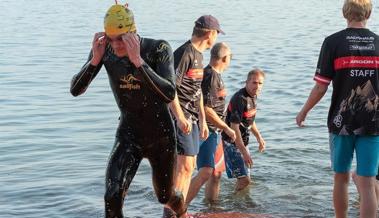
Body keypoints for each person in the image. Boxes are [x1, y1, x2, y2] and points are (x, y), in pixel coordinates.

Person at [70, 4, 186, 218]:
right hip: (129, 134)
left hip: (161, 136)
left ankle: (181, 211)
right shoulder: (104, 51)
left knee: (164, 196)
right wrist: (95, 61)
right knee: (112, 196)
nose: (116, 44)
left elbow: (169, 93)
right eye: (110, 38)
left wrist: (138, 62)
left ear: (133, 32)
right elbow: (75, 90)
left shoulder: (158, 49)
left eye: (121, 38)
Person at [296, 0, 379, 217]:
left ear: (345, 13)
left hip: (341, 122)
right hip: (374, 122)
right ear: (369, 13)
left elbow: (320, 86)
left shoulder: (333, 42)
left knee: (341, 177)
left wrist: (304, 110)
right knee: (368, 182)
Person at [163, 15, 224, 217]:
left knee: (187, 167)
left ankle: (179, 210)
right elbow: (169, 89)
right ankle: (172, 213)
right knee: (185, 166)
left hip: (193, 118)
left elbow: (196, 91)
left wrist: (203, 120)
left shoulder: (200, 55)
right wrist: (180, 118)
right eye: (216, 33)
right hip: (180, 116)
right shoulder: (185, 53)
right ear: (210, 34)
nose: (216, 37)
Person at [185, 42, 236, 206]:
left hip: (215, 131)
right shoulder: (210, 76)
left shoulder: (215, 75)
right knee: (204, 171)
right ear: (225, 58)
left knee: (215, 173)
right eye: (230, 57)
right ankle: (179, 207)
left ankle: (211, 207)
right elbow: (206, 109)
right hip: (204, 131)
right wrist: (226, 127)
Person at [222, 69, 266, 192]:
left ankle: (239, 205)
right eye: (254, 82)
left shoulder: (253, 97)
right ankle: (234, 205)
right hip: (231, 142)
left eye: (260, 83)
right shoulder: (240, 99)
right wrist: (244, 152)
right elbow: (234, 127)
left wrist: (259, 137)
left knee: (246, 178)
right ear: (246, 82)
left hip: (243, 142)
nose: (257, 86)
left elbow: (250, 120)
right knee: (244, 180)